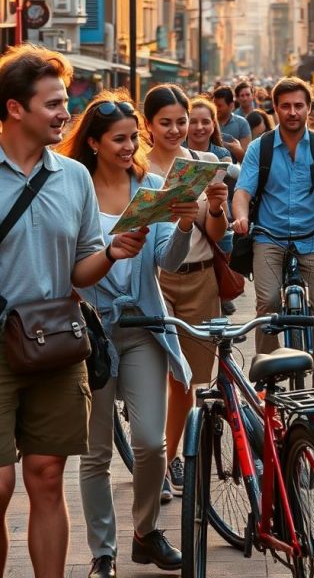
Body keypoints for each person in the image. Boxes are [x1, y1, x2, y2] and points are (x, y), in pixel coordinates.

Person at [0, 46, 146, 578]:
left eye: (66, 100)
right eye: (55, 102)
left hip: (57, 342)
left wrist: (111, 253)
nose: (67, 111)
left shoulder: (72, 178)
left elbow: (80, 271)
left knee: (44, 474)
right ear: (16, 109)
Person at [59, 91, 203, 578]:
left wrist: (184, 225)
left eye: (132, 138)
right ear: (94, 143)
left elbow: (167, 261)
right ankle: (103, 552)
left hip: (143, 326)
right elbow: (68, 266)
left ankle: (144, 530)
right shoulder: (74, 189)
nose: (128, 147)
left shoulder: (152, 185)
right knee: (95, 453)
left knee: (149, 443)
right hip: (89, 333)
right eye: (118, 139)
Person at [232, 76, 314, 388]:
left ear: (309, 109)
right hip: (268, 236)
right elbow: (242, 193)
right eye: (285, 106)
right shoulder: (259, 149)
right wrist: (241, 218)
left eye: (298, 106)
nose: (292, 112)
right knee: (267, 305)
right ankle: (268, 371)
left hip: (312, 236)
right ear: (274, 108)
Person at [142, 86, 229, 498]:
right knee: (156, 374)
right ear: (149, 125)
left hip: (200, 275)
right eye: (167, 122)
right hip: (154, 278)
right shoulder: (137, 167)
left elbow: (215, 234)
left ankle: (169, 454)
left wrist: (215, 206)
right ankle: (154, 461)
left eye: (182, 121)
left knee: (187, 379)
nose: (177, 130)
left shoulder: (205, 162)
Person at [187, 96, 231, 164]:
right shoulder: (175, 151)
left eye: (205, 122)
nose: (199, 127)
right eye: (193, 122)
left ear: (213, 124)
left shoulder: (223, 155)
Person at [212, 86, 251, 163]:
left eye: (219, 106)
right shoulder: (209, 123)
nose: (216, 109)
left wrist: (236, 150)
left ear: (231, 106)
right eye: (214, 105)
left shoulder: (242, 123)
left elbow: (246, 159)